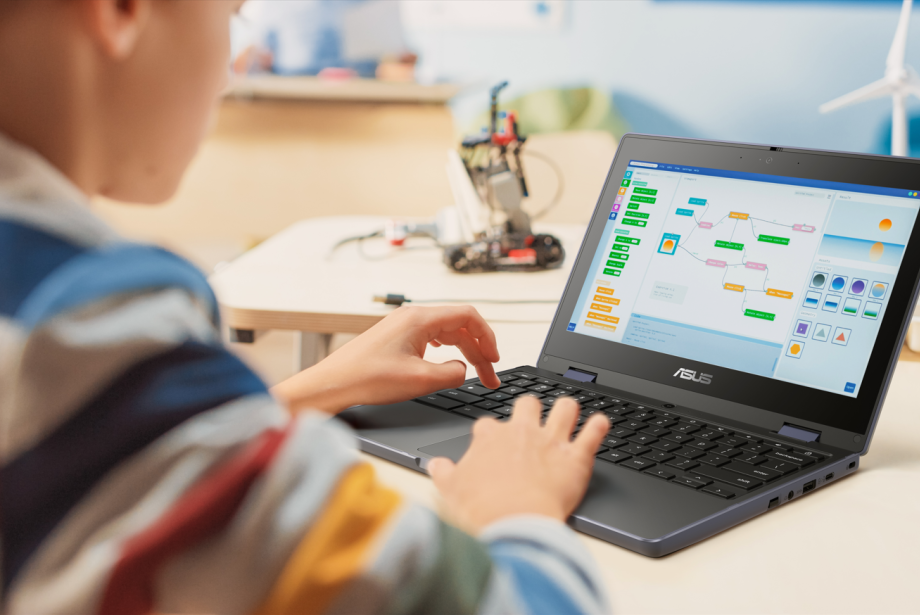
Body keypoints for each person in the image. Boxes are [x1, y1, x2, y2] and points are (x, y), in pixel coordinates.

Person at [0, 1, 611, 613]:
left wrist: (307, 390)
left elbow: (97, 450)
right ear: (118, 10)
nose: (229, 73)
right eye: (231, 15)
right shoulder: (87, 329)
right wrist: (520, 509)